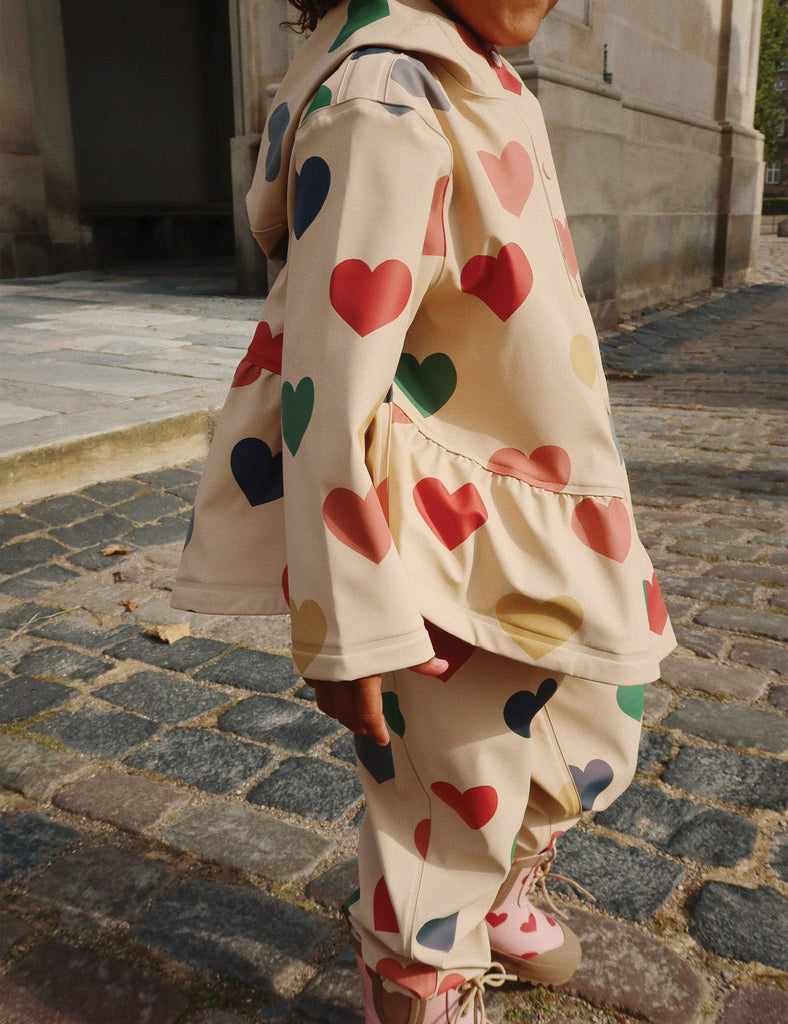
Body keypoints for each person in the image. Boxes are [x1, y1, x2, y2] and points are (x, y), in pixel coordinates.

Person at [172, 1, 676, 1020]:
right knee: (447, 791)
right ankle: (419, 973)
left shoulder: (474, 68)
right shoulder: (383, 97)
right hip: (428, 525)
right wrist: (346, 615)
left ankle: (494, 886)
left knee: (595, 713)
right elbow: (327, 374)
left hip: (531, 491)